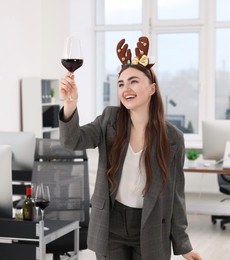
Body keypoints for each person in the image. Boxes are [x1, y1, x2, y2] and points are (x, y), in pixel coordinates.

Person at [59, 36, 202, 260]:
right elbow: (72, 141)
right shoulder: (109, 119)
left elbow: (176, 196)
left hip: (151, 225)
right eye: (121, 83)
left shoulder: (173, 138)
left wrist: (184, 246)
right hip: (111, 224)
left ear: (152, 88)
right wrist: (70, 103)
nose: (126, 88)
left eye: (134, 81)